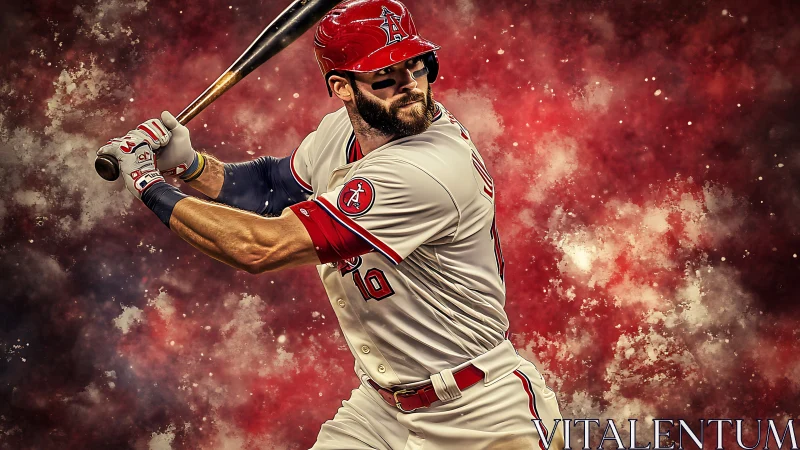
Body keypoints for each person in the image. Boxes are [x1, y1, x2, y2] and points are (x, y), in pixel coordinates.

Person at [97, 0, 565, 448]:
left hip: (479, 412)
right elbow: (273, 186)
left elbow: (259, 248)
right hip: (382, 409)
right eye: (385, 76)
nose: (410, 84)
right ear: (343, 88)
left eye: (416, 66)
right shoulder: (343, 132)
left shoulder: (429, 168)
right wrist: (193, 166)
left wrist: (147, 182)